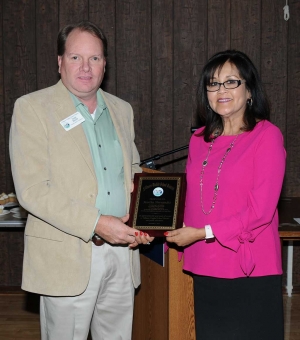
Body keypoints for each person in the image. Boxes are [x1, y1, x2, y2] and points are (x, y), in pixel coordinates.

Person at [9, 21, 153, 340]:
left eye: (95, 58)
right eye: (76, 57)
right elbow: (32, 190)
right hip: (66, 257)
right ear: (59, 62)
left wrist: (145, 219)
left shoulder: (121, 110)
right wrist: (98, 223)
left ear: (105, 64)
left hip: (122, 252)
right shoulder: (32, 109)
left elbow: (132, 173)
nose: (86, 67)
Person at [166, 50, 285, 340]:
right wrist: (158, 229)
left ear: (249, 91)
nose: (221, 90)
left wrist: (200, 232)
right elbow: (193, 201)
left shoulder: (267, 136)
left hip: (250, 267)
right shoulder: (198, 140)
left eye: (232, 82)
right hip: (206, 263)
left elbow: (261, 212)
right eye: (213, 83)